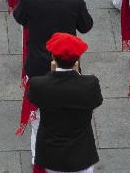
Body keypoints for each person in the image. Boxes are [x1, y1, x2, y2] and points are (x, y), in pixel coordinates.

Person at [26, 33, 103, 173]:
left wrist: (52, 74)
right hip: (82, 155)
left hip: (50, 156)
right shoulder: (90, 84)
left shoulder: (39, 84)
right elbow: (97, 101)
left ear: (53, 58)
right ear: (77, 61)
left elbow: (33, 98)